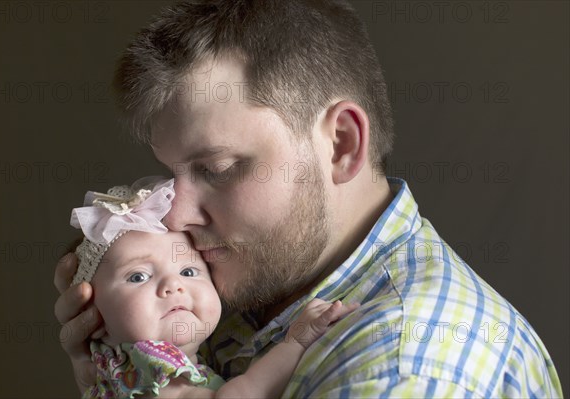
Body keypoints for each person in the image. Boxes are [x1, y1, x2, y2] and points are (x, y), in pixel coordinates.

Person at [54, 0, 563, 397]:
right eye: (170, 179)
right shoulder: (248, 298)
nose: (178, 215)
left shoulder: (405, 367)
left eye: (218, 169)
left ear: (341, 144)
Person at [69, 176, 359, 398]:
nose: (173, 285)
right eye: (138, 277)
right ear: (93, 317)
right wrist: (295, 343)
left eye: (188, 270)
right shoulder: (150, 364)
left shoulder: (113, 371)